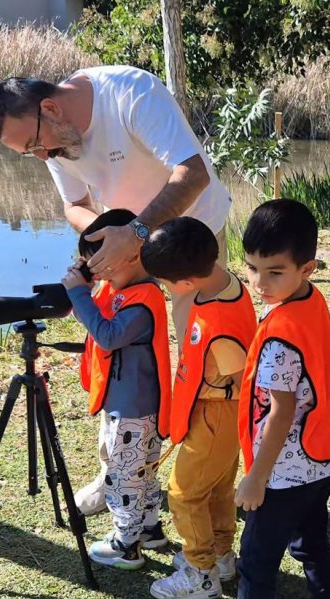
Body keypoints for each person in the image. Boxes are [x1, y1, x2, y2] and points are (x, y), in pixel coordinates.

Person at [0, 67, 231, 516]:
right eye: (29, 154)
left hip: (193, 238)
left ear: (51, 108)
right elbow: (74, 205)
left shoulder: (130, 93)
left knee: (209, 362)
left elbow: (192, 174)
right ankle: (120, 471)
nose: (42, 158)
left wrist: (133, 230)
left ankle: (212, 468)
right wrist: (103, 236)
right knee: (121, 364)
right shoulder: (56, 141)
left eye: (37, 146)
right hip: (129, 251)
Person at [140, 217, 257, 598]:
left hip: (216, 413)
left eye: (166, 283)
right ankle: (221, 555)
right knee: (217, 488)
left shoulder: (218, 323)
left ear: (186, 284)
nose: (165, 288)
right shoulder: (226, 284)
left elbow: (242, 381)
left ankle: (200, 573)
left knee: (184, 493)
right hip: (212, 409)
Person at [234, 200, 330, 599]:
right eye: (251, 268)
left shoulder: (280, 334)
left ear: (307, 268)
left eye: (274, 272)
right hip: (322, 456)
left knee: (256, 563)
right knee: (311, 543)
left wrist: (255, 479)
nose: (260, 283)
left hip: (281, 473)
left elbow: (280, 413)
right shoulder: (310, 299)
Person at [61, 209, 172, 569]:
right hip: (128, 405)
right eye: (96, 267)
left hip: (135, 412)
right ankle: (150, 529)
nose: (101, 274)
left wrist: (79, 294)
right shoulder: (119, 289)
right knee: (144, 473)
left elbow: (106, 334)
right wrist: (85, 287)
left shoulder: (143, 301)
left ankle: (126, 544)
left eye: (104, 265)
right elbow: (96, 317)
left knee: (125, 477)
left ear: (133, 253)